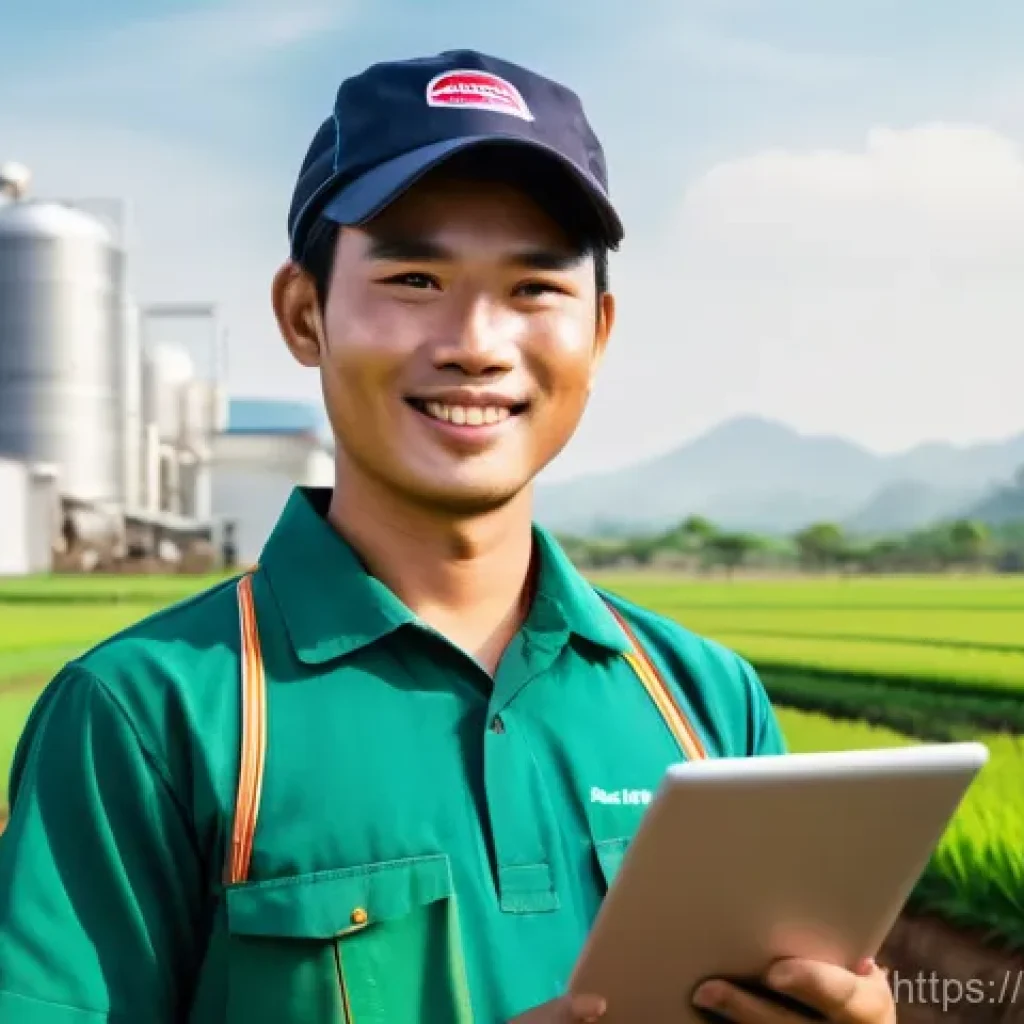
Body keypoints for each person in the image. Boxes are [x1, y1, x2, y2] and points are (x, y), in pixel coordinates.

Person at [0, 50, 896, 1024]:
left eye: (533, 288)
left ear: (595, 331)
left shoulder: (706, 701)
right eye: (417, 276)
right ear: (306, 315)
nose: (476, 340)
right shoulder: (149, 714)